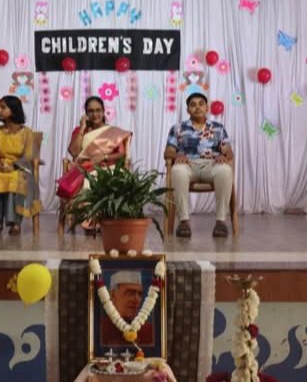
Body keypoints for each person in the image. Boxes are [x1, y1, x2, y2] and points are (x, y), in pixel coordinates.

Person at [163, 92, 233, 238]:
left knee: (225, 170)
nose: (197, 107)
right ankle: (184, 221)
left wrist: (224, 155)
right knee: (177, 170)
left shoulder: (218, 128)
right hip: (188, 164)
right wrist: (177, 156)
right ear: (188, 109)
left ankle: (220, 221)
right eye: (193, 105)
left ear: (207, 107)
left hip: (212, 164)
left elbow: (229, 152)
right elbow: (168, 152)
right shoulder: (178, 128)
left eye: (201, 104)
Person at [66, 96, 131, 233]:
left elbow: (121, 154)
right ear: (86, 114)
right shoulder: (80, 131)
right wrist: (82, 128)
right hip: (86, 168)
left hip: (110, 167)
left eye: (98, 110)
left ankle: (111, 220)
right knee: (89, 179)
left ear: (103, 111)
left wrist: (104, 157)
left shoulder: (112, 131)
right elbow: (74, 152)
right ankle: (92, 223)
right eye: (91, 111)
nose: (95, 114)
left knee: (116, 178)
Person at [0, 96, 41, 235]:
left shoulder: (27, 133)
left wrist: (13, 167)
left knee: (15, 178)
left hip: (19, 168)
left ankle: (15, 223)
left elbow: (28, 157)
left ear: (13, 110)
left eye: (3, 107)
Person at [100, 271, 154, 347]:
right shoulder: (100, 330)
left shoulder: (149, 331)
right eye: (130, 293)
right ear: (112, 295)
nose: (137, 300)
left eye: (140, 294)